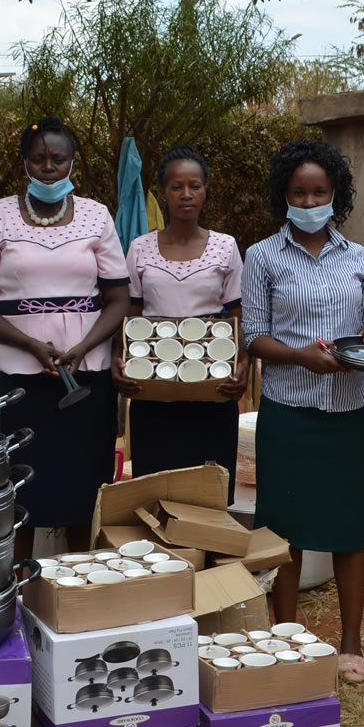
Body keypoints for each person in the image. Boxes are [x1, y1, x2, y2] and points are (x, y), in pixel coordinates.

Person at [241, 140, 364, 684]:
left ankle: (350, 642)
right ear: (284, 195)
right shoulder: (262, 256)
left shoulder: (357, 258)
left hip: (348, 411)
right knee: (286, 532)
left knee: (350, 531)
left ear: (336, 196)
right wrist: (300, 357)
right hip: (289, 411)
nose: (309, 200)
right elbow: (253, 334)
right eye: (299, 191)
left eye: (319, 191)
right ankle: (287, 636)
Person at [0, 117, 131, 561]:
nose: (49, 167)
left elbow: (117, 297)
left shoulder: (96, 215)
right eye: (39, 159)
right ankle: (17, 597)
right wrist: (31, 345)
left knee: (82, 490)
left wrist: (84, 346)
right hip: (15, 377)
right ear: (25, 163)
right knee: (16, 492)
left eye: (58, 158)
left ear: (72, 161)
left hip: (84, 377)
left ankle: (77, 591)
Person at [112, 146, 248, 500]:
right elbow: (130, 316)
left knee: (210, 497)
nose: (186, 194)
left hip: (212, 388)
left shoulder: (226, 247)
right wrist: (120, 358)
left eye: (194, 185)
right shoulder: (140, 249)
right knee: (155, 494)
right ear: (163, 194)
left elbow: (238, 317)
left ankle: (208, 555)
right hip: (155, 390)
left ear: (205, 191)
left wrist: (243, 365)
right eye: (176, 186)